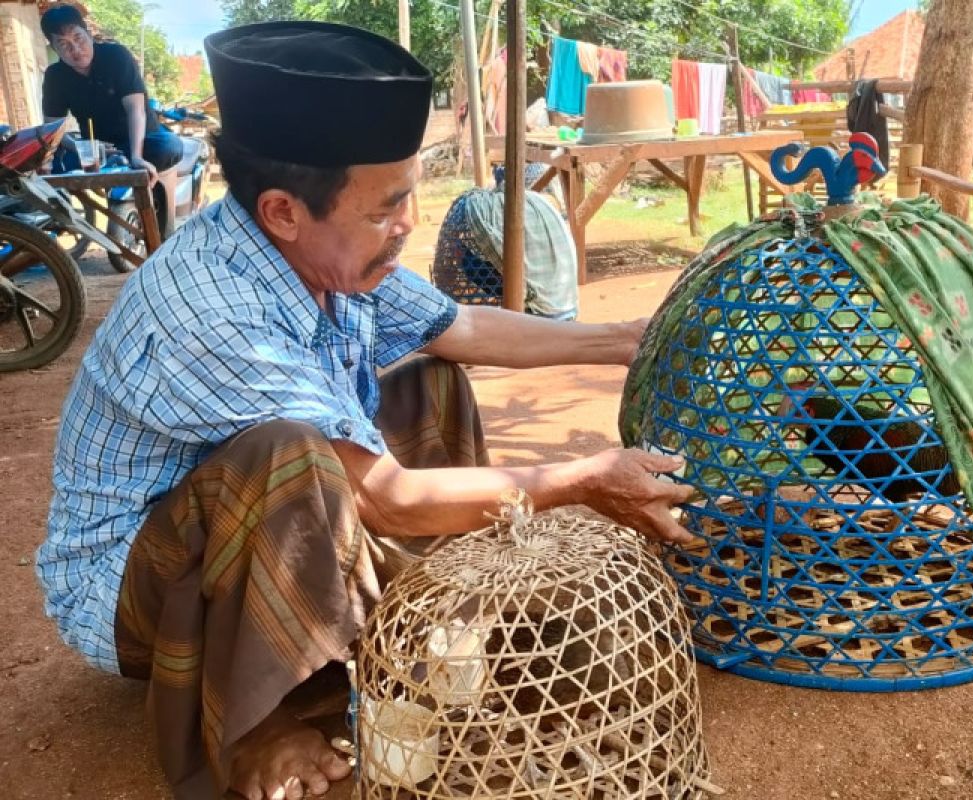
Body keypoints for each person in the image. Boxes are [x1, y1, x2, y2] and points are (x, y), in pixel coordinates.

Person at [37, 19, 692, 800]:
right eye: (386, 208)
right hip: (138, 591)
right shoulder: (209, 308)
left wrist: (626, 339)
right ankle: (254, 723)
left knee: (429, 377)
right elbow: (387, 496)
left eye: (409, 197)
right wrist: (586, 479)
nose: (409, 224)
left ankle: (424, 617)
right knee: (291, 453)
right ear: (283, 210)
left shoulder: (323, 253)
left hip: (245, 533)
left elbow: (467, 327)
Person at [39, 4, 182, 185]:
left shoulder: (116, 55)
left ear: (88, 33)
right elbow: (53, 129)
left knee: (169, 146)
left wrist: (137, 156)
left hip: (142, 140)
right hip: (97, 149)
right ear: (54, 48)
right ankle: (116, 167)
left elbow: (136, 109)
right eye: (63, 44)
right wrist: (81, 146)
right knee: (53, 166)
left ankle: (124, 165)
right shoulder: (55, 76)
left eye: (78, 38)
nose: (75, 49)